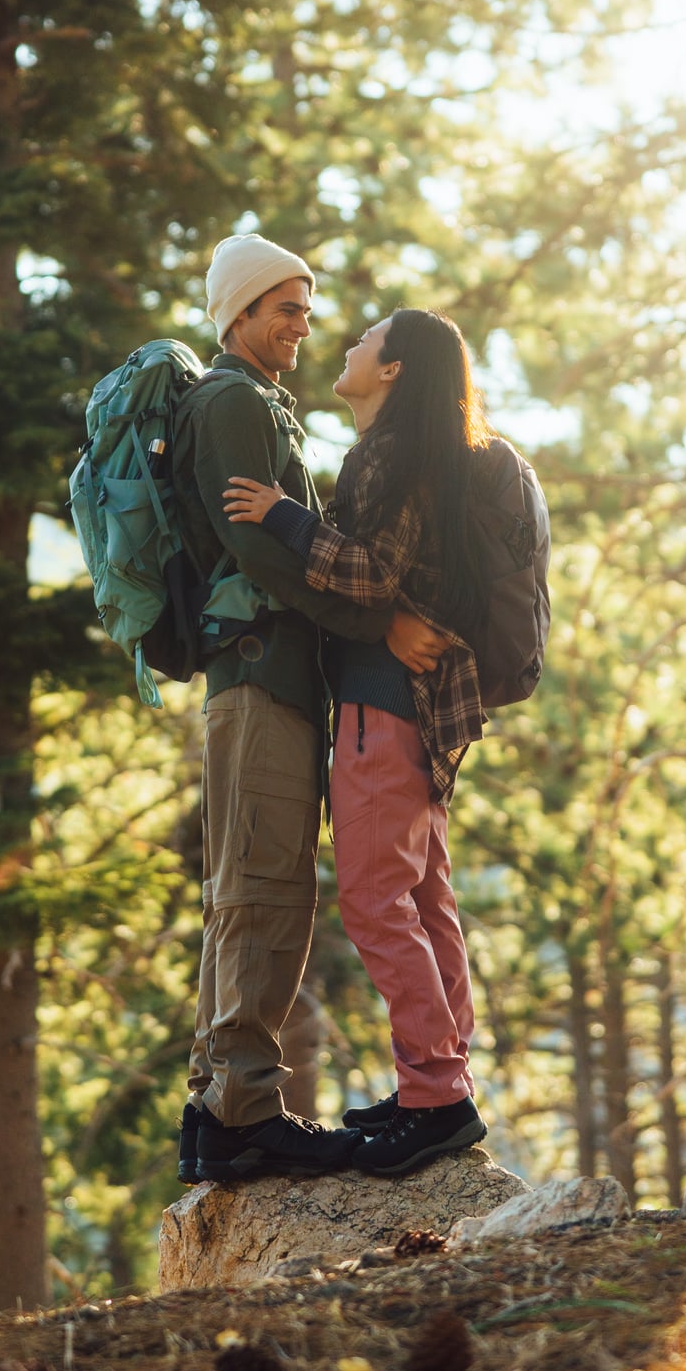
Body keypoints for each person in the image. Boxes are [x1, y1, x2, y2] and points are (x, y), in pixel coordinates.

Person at [174, 235, 446, 1184]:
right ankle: (243, 1110)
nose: (301, 324)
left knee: (256, 883)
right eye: (285, 307)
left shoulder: (259, 404)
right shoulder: (234, 403)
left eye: (305, 308)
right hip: (258, 674)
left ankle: (219, 1103)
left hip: (276, 677)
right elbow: (257, 555)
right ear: (239, 313)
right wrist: (374, 624)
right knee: (261, 886)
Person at [224, 307, 491, 1177]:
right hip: (414, 712)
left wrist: (281, 518)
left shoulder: (388, 457)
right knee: (421, 899)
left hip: (383, 710)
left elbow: (371, 573)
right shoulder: (418, 456)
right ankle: (440, 1078)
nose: (346, 342)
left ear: (393, 369)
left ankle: (436, 1096)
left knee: (377, 902)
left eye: (367, 337)